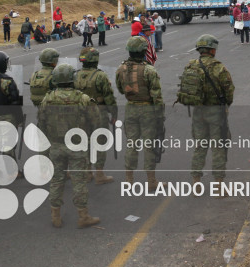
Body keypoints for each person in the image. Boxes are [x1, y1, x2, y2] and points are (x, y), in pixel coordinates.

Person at [39, 63, 100, 228]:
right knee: (79, 181)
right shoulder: (83, 99)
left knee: (56, 180)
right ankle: (83, 216)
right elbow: (96, 122)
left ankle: (55, 216)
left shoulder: (48, 98)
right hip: (77, 146)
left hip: (56, 146)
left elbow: (41, 124)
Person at [176, 35, 234, 185]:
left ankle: (196, 182)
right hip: (216, 112)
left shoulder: (191, 65)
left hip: (198, 112)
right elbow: (229, 92)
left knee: (200, 147)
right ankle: (219, 185)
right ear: (213, 50)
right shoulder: (219, 67)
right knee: (218, 148)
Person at [115, 36, 164, 189]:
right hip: (148, 110)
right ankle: (151, 181)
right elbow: (156, 95)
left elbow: (120, 89)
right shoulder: (149, 70)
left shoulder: (121, 69)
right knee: (149, 146)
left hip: (131, 108)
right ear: (143, 51)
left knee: (132, 144)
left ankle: (129, 180)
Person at [74, 47, 118, 184]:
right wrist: (114, 114)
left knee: (84, 142)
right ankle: (100, 174)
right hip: (99, 112)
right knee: (99, 143)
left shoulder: (75, 75)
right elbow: (109, 97)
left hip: (81, 113)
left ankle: (88, 172)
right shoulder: (100, 76)